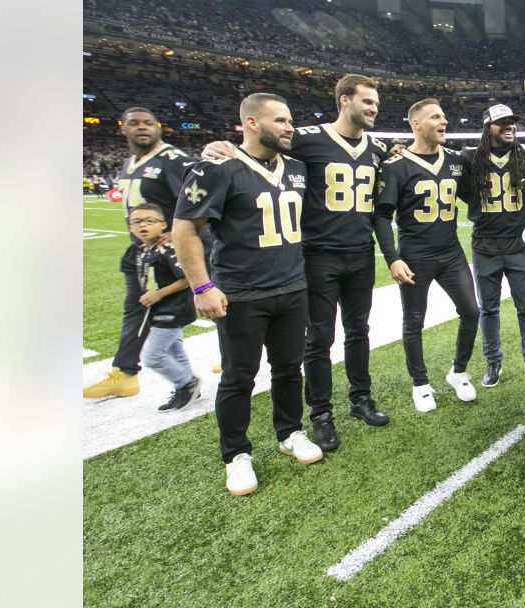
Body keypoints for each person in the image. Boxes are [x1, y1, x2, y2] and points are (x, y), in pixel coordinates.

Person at [202, 75, 392, 452]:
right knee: (319, 338)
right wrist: (219, 146)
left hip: (360, 252)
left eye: (376, 104)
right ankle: (320, 413)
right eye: (367, 101)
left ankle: (361, 398)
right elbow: (259, 148)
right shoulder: (305, 137)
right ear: (344, 101)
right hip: (316, 256)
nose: (373, 109)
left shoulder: (378, 147)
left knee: (359, 331)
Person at [173, 93, 323, 497]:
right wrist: (202, 286)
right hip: (243, 292)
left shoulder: (296, 167)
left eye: (291, 120)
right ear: (252, 123)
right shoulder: (218, 167)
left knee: (290, 369)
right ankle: (236, 454)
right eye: (280, 120)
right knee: (240, 377)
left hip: (292, 286)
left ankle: (290, 431)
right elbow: (185, 228)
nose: (290, 127)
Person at [374, 98, 480, 413]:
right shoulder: (396, 166)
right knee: (414, 322)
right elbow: (381, 216)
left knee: (472, 312)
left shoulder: (455, 161)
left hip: (451, 253)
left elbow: (473, 196)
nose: (443, 121)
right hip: (415, 255)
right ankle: (420, 383)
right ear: (416, 124)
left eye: (444, 116)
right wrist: (392, 257)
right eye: (435, 117)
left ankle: (458, 372)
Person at [85, 108, 196, 400]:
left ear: (159, 128)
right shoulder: (130, 163)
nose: (142, 128)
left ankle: (129, 372)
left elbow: (200, 196)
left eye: (149, 123)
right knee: (142, 309)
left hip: (169, 252)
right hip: (140, 250)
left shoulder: (173, 160)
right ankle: (127, 373)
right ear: (122, 128)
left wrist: (178, 229)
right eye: (134, 123)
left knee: (179, 306)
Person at [463, 104, 525, 388]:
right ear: (488, 127)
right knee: (488, 309)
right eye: (502, 123)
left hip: (519, 245)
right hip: (485, 247)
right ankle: (492, 361)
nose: (509, 126)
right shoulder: (468, 159)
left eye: (512, 122)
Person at [127, 203, 201, 412]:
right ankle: (187, 387)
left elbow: (187, 277)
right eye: (137, 221)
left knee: (153, 357)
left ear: (163, 225)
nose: (144, 225)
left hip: (172, 310)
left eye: (150, 221)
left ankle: (186, 383)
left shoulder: (167, 249)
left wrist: (159, 294)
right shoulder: (142, 250)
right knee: (175, 350)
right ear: (130, 227)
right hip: (159, 311)